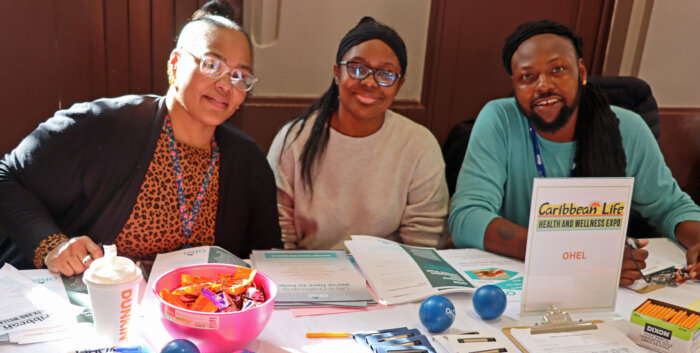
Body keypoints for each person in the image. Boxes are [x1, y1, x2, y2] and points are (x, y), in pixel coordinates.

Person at [0, 0, 281, 276]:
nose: (224, 85)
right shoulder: (104, 124)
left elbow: (268, 256)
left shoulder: (248, 161)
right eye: (211, 65)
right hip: (97, 305)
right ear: (175, 63)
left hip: (195, 312)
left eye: (239, 76)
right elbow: (6, 176)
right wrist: (52, 244)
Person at [448, 19, 700, 284]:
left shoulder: (627, 128)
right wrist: (568, 255)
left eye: (557, 69)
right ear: (514, 84)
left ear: (581, 71)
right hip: (520, 278)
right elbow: (467, 216)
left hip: (605, 284)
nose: (543, 85)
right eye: (527, 76)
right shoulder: (499, 119)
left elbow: (672, 206)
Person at [267, 17, 448, 250]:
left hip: (391, 275)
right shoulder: (294, 139)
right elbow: (278, 235)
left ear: (399, 85)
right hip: (307, 274)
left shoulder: (419, 145)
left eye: (385, 74)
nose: (370, 82)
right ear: (337, 73)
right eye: (358, 69)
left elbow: (423, 244)